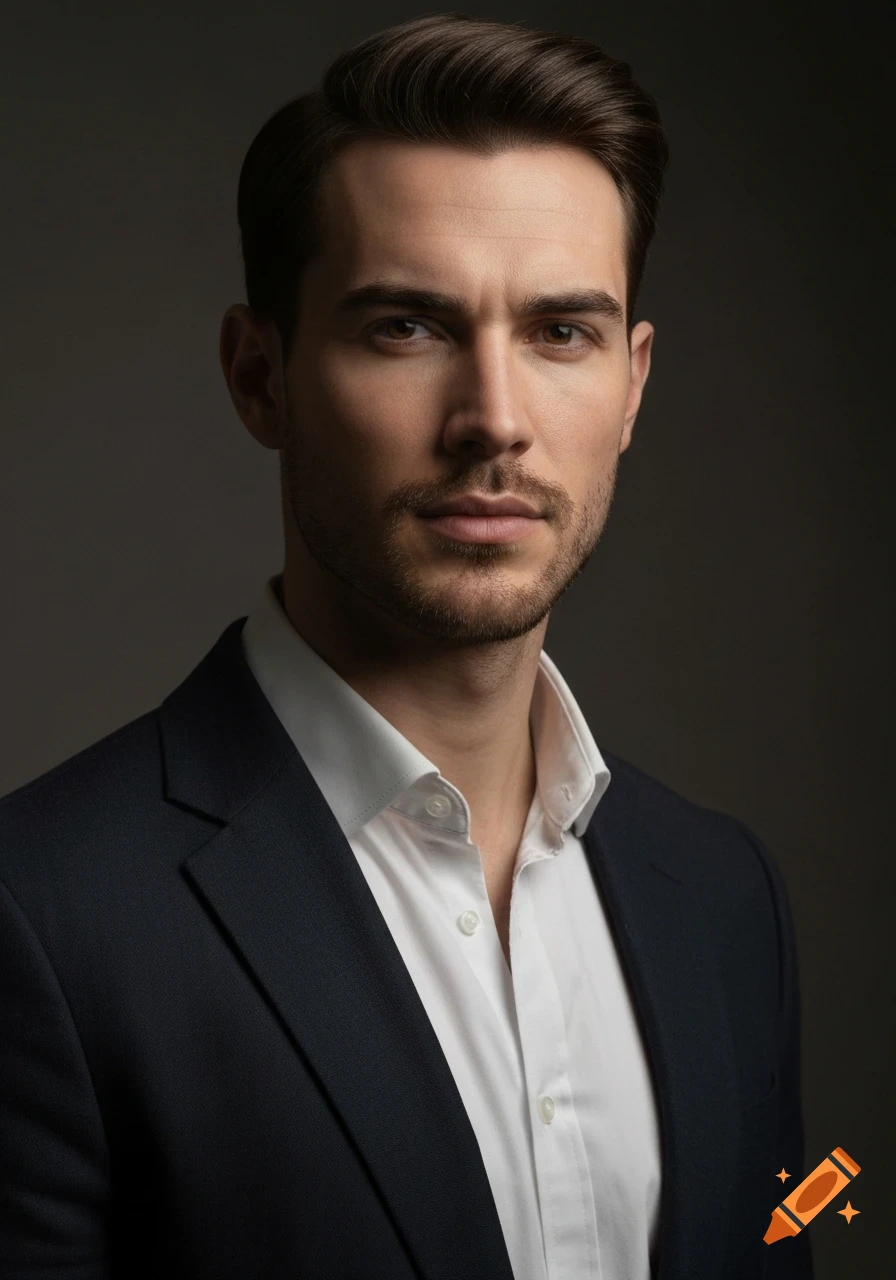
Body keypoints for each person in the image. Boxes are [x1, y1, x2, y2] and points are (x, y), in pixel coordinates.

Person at [0, 13, 812, 1280]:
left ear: (632, 385)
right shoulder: (40, 916)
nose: (493, 420)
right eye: (408, 327)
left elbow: (801, 1220)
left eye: (560, 332)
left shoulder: (723, 898)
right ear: (258, 376)